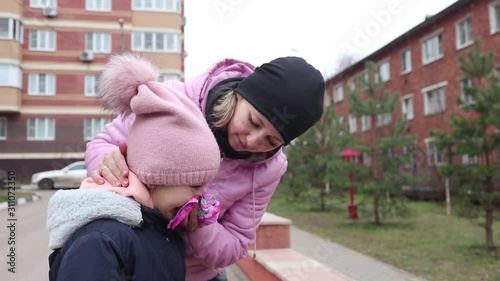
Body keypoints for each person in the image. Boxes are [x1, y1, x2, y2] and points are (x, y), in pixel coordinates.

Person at [85, 54, 325, 281]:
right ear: (239, 95)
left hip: (196, 275)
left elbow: (236, 245)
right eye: (253, 122)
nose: (252, 142)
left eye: (271, 141)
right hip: (133, 260)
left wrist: (199, 225)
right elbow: (102, 144)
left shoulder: (269, 169)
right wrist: (110, 163)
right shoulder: (176, 99)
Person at [47, 54, 222, 281]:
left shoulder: (162, 232)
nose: (201, 197)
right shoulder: (102, 240)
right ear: (157, 177)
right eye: (195, 185)